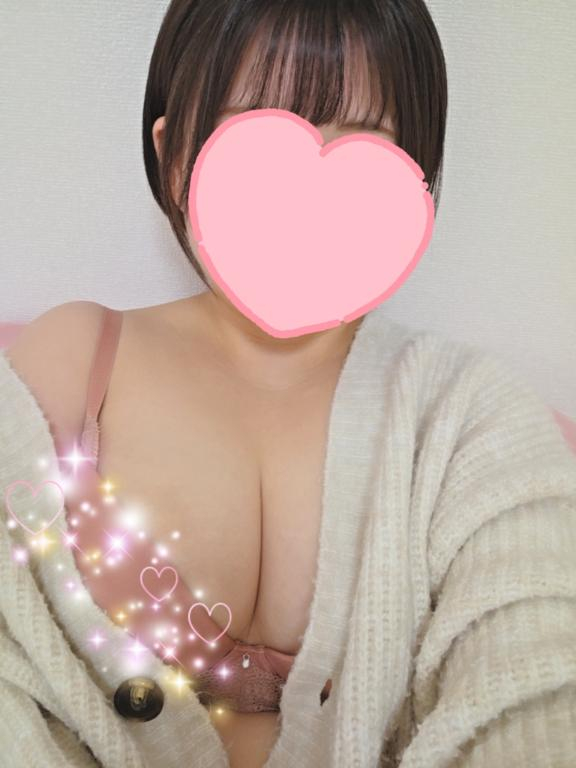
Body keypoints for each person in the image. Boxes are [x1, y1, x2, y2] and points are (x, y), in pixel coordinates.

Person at [2, 2, 576, 768]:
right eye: (256, 134)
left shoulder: (469, 416)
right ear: (174, 157)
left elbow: (536, 685)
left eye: (365, 143)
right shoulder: (76, 364)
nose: (310, 193)